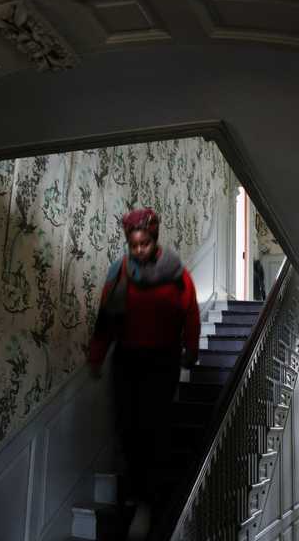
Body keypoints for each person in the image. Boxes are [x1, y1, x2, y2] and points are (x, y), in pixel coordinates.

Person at [88, 207, 200, 540]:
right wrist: (96, 356)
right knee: (128, 428)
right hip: (127, 361)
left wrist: (191, 351)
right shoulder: (119, 272)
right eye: (134, 245)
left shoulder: (177, 274)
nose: (139, 250)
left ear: (155, 239)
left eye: (145, 244)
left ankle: (149, 502)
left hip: (162, 362)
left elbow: (191, 314)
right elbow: (105, 320)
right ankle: (136, 495)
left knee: (155, 430)